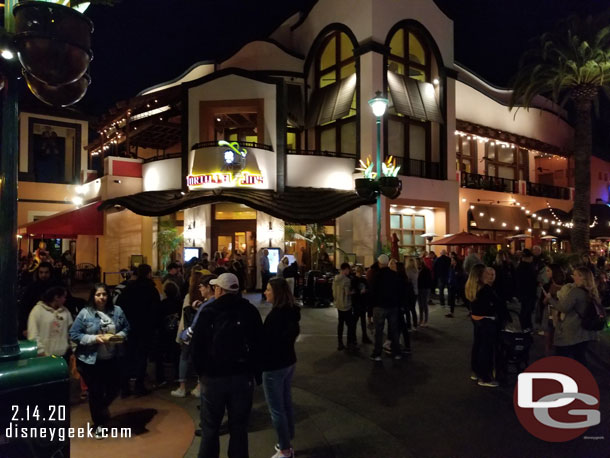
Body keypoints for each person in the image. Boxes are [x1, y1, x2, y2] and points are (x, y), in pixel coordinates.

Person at [191, 273, 263, 458]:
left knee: (210, 428)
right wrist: (255, 373)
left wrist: (201, 373)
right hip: (241, 376)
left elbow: (197, 346)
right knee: (239, 428)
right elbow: (258, 344)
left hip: (213, 377)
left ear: (219, 289)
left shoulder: (209, 311)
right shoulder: (249, 311)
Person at [70, 283, 130, 439]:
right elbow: (74, 334)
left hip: (112, 358)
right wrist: (94, 338)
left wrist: (118, 337)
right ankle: (99, 424)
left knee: (114, 388)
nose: (102, 297)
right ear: (93, 296)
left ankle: (101, 409)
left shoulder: (117, 311)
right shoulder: (85, 313)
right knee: (96, 392)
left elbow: (126, 328)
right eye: (98, 295)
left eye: (104, 294)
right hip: (91, 360)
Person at [262, 278, 301, 458]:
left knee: (276, 408)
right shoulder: (292, 312)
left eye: (268, 290)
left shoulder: (275, 317)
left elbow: (267, 343)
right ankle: (287, 438)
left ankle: (285, 449)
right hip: (288, 361)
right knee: (285, 402)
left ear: (276, 292)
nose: (265, 292)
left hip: (274, 366)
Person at [117, 263, 160, 396]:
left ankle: (124, 386)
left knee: (128, 355)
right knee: (142, 356)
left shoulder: (129, 288)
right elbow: (156, 310)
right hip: (145, 328)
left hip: (130, 327)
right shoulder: (151, 289)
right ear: (148, 274)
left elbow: (119, 306)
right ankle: (139, 385)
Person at [546, 266, 601, 366]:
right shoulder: (592, 291)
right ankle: (582, 377)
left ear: (582, 277)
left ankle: (566, 377)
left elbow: (563, 308)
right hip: (585, 331)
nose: (572, 277)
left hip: (572, 331)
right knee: (580, 357)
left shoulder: (575, 292)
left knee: (562, 357)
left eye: (575, 275)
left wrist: (550, 299)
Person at [172, 270, 206, 398]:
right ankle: (198, 386)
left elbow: (184, 317)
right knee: (199, 358)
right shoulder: (205, 298)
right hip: (200, 333)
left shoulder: (188, 296)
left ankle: (182, 387)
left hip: (187, 332)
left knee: (184, 357)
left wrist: (181, 334)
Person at [465, 264, 501, 388]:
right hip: (486, 320)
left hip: (476, 319)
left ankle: (476, 371)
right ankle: (485, 377)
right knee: (486, 349)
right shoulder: (485, 288)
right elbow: (496, 304)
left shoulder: (471, 286)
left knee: (478, 346)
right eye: (486, 273)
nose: (488, 275)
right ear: (480, 275)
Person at [369, 254, 402, 361]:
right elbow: (398, 290)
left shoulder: (376, 276)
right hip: (393, 306)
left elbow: (372, 292)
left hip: (379, 306)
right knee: (394, 330)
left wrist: (371, 307)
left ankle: (377, 353)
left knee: (379, 331)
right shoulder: (394, 275)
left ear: (379, 263)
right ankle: (397, 352)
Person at [27, 285, 73, 359]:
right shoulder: (37, 311)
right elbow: (33, 335)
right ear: (56, 297)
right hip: (43, 357)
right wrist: (40, 352)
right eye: (63, 297)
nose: (65, 299)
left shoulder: (65, 312)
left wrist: (73, 350)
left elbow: (71, 332)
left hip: (63, 356)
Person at [18, 261, 59, 337]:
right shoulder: (32, 288)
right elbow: (24, 308)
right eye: (41, 272)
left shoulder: (57, 286)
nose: (43, 275)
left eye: (46, 272)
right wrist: (23, 328)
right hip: (35, 324)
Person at [333, 263, 357, 350]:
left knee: (340, 324)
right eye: (348, 269)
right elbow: (347, 293)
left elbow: (333, 292)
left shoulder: (335, 279)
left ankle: (340, 343)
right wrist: (354, 292)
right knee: (351, 324)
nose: (349, 271)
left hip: (338, 304)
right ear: (345, 269)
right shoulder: (347, 280)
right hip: (346, 305)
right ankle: (350, 342)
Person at [515, 249, 538, 332]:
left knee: (527, 310)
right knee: (526, 310)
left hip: (525, 292)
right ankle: (525, 326)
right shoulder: (526, 267)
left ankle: (527, 326)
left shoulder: (521, 266)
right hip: (527, 292)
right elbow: (529, 280)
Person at [351, 265, 372, 344]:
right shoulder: (355, 280)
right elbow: (353, 291)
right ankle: (357, 338)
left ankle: (360, 337)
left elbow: (368, 289)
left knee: (360, 321)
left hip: (360, 303)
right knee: (358, 321)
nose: (360, 273)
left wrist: (365, 290)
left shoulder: (361, 280)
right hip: (358, 303)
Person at [417, 257, 432, 327]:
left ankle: (425, 320)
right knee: (420, 305)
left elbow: (429, 280)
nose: (417, 264)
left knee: (424, 304)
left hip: (424, 288)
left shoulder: (426, 270)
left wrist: (428, 288)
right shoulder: (417, 270)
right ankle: (420, 319)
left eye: (418, 262)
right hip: (419, 288)